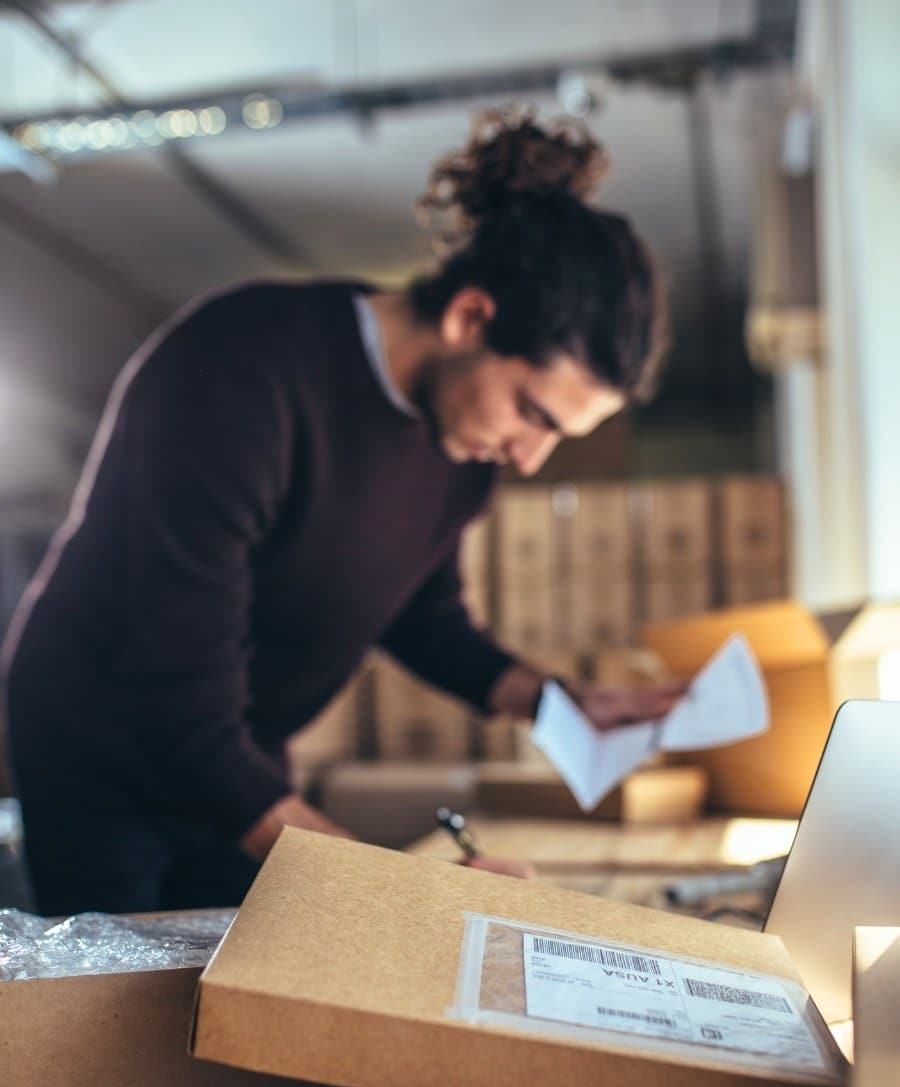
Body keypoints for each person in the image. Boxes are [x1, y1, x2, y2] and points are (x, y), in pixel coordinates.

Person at [3, 108, 682, 916]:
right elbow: (176, 701)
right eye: (534, 414)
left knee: (252, 977)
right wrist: (398, 891)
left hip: (235, 751)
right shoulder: (243, 370)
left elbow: (421, 610)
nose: (531, 458)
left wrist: (556, 702)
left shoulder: (465, 441)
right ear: (470, 318)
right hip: (103, 746)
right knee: (114, 1012)